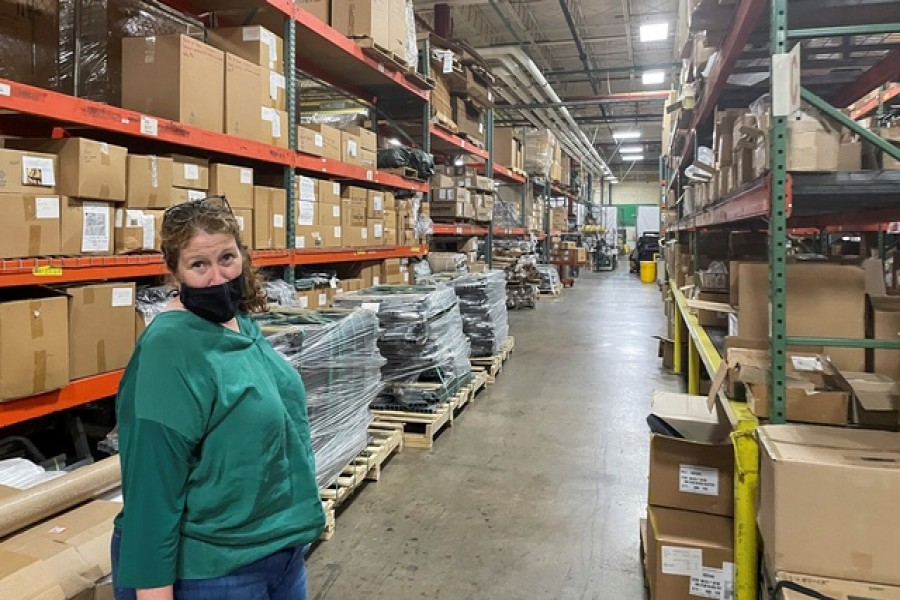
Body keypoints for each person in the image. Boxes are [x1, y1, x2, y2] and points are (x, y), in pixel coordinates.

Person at [111, 196, 325, 600]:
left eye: (226, 258)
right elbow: (151, 488)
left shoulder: (239, 324)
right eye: (198, 264)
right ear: (175, 272)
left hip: (278, 553)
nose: (217, 277)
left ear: (243, 254)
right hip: (212, 570)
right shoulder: (169, 350)